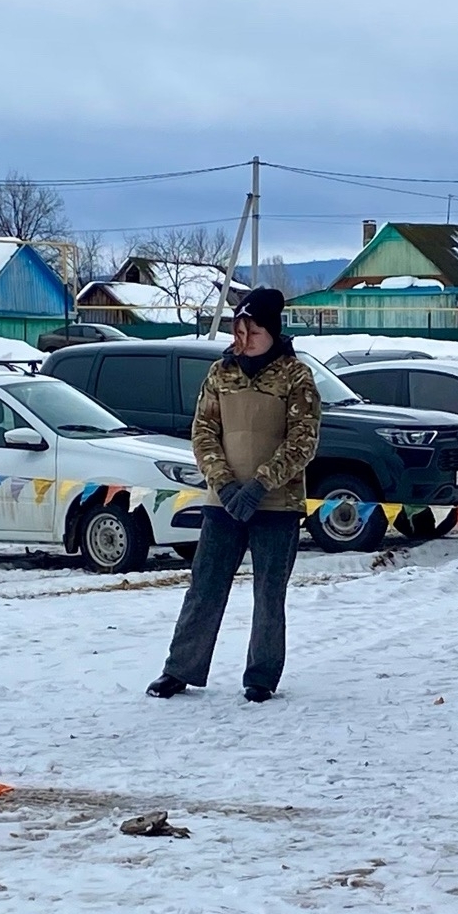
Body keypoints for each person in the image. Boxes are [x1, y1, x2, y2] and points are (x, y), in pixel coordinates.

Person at [148, 288, 321, 703]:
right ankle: (180, 669)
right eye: (238, 330)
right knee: (204, 587)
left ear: (272, 331)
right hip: (223, 502)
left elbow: (303, 440)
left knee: (268, 593)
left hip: (276, 504)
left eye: (253, 330)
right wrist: (224, 485)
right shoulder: (219, 373)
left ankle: (260, 676)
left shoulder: (296, 377)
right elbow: (203, 432)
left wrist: (260, 484)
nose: (244, 339)